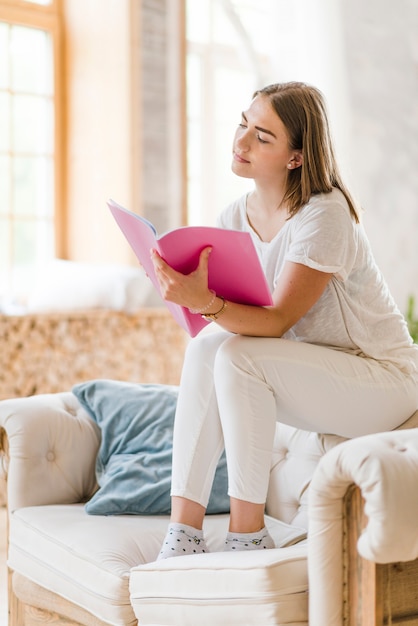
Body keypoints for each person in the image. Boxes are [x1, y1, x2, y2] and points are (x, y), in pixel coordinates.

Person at [150, 81, 418, 559]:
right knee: (207, 348)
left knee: (233, 353)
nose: (241, 141)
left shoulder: (324, 215)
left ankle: (247, 533)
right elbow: (235, 318)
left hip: (385, 379)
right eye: (243, 124)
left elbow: (273, 321)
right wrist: (188, 296)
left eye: (263, 136)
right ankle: (184, 532)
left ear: (296, 156)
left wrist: (205, 300)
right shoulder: (234, 216)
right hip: (315, 371)